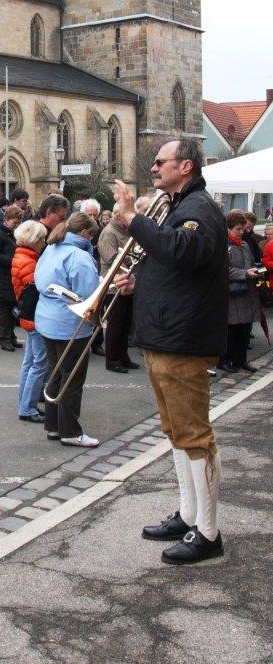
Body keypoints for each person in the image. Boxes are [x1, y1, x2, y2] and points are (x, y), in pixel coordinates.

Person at [113, 136, 228, 564]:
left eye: (161, 162)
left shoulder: (198, 209)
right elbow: (177, 270)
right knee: (175, 431)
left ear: (186, 167)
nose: (154, 168)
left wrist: (132, 220)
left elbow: (183, 251)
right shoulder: (180, 206)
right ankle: (188, 513)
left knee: (194, 435)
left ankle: (209, 532)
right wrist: (140, 283)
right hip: (166, 335)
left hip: (183, 340)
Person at [35, 211, 100, 448]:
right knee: (72, 378)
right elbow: (90, 293)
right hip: (69, 322)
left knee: (55, 373)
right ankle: (70, 431)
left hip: (47, 318)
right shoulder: (78, 255)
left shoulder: (51, 248)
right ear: (84, 233)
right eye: (91, 236)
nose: (92, 241)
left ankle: (53, 426)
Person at [97, 205, 140, 374]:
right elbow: (113, 259)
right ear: (117, 215)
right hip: (115, 285)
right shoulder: (108, 233)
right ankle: (112, 359)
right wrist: (131, 265)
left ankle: (123, 356)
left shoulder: (126, 230)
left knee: (125, 323)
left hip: (128, 282)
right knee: (115, 324)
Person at [12, 220, 48, 422]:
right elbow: (39, 288)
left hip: (29, 316)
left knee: (31, 362)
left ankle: (26, 404)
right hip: (34, 317)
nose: (44, 241)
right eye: (41, 238)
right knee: (39, 364)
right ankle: (28, 407)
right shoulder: (28, 261)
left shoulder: (23, 256)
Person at [221, 210, 261, 373]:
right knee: (231, 330)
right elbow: (224, 270)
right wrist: (244, 273)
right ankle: (225, 360)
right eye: (238, 229)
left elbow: (249, 263)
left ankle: (241, 360)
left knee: (245, 329)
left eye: (243, 229)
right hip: (232, 293)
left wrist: (256, 270)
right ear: (229, 228)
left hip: (246, 292)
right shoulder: (224, 245)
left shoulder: (243, 244)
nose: (241, 232)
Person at [0, 206, 23, 351]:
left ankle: (11, 336)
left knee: (12, 308)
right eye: (14, 222)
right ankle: (4, 339)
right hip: (2, 276)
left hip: (12, 276)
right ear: (6, 219)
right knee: (5, 309)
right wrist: (12, 261)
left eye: (18, 223)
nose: (16, 225)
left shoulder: (12, 233)